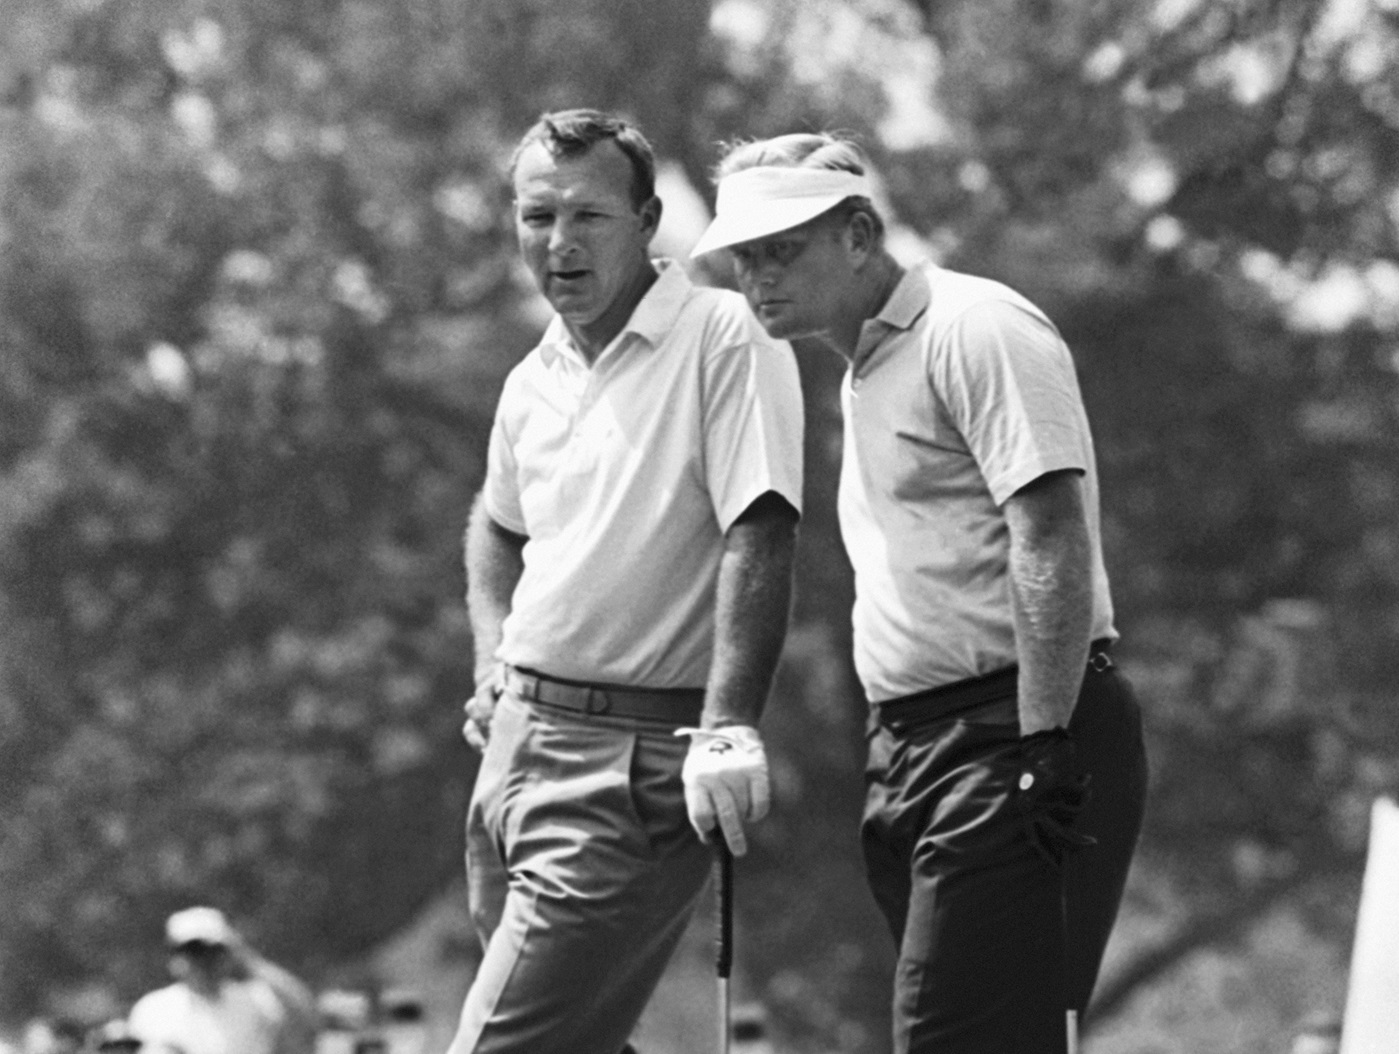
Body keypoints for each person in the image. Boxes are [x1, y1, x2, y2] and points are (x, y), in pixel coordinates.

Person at [692, 134, 1149, 1054]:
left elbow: (1051, 530)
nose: (757, 277)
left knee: (950, 1037)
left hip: (1010, 734)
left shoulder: (973, 327)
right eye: (744, 256)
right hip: (911, 748)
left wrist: (1045, 739)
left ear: (859, 234)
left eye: (781, 248)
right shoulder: (861, 369)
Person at [449, 109, 804, 1054]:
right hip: (515, 749)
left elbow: (761, 528)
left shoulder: (724, 335)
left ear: (647, 221)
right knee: (576, 1038)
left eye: (589, 217)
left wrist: (730, 722)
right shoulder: (534, 375)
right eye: (536, 217)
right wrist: (491, 658)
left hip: (630, 767)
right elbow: (494, 523)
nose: (558, 243)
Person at [126, 906, 317, 1054]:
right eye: (193, 952)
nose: (202, 962)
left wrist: (250, 963)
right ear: (175, 958)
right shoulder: (154, 1009)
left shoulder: (255, 1000)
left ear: (227, 953)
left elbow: (306, 1017)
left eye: (211, 952)